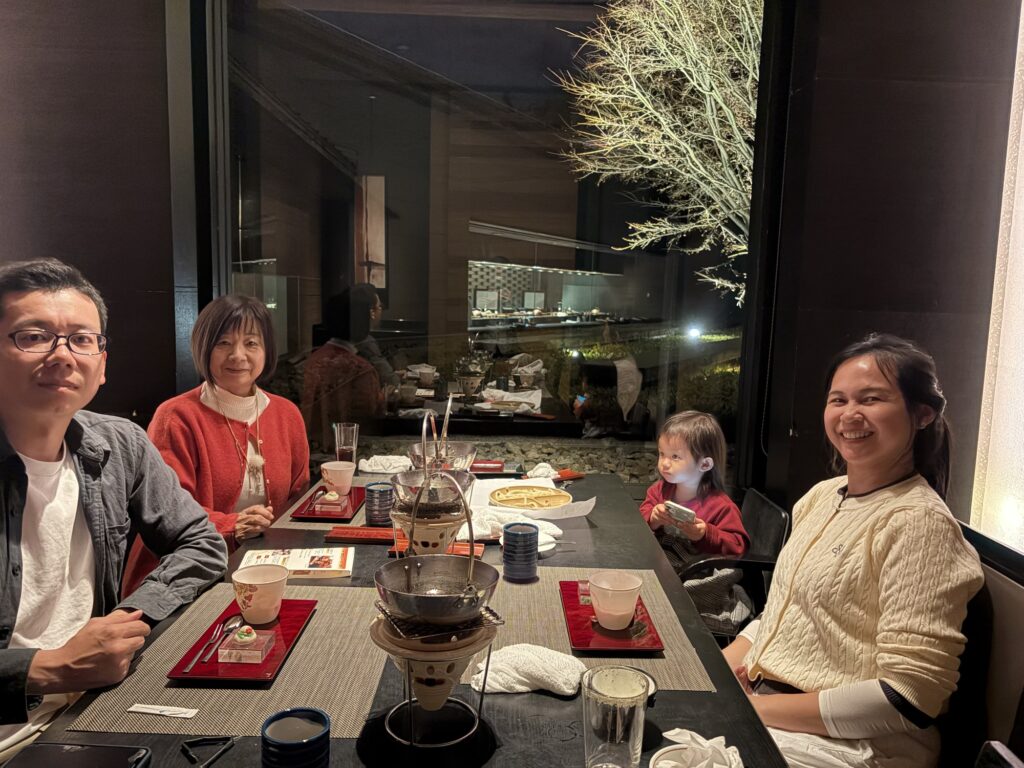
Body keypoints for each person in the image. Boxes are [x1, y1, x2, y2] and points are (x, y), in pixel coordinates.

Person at [722, 334, 984, 768]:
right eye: (838, 400)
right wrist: (715, 675)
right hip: (769, 707)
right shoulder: (822, 497)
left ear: (922, 413)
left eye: (871, 398)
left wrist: (754, 709)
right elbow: (787, 612)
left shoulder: (918, 523)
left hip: (854, 746)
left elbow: (908, 696)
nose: (849, 414)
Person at [0, 259, 226, 755]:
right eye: (34, 336)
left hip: (91, 711)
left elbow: (201, 542)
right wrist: (47, 668)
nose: (63, 355)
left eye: (82, 339)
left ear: (101, 365)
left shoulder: (119, 444)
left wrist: (128, 619)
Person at [121, 295, 309, 595]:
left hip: (263, 566)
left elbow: (298, 499)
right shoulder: (176, 416)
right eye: (223, 343)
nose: (238, 355)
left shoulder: (286, 414)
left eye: (251, 343)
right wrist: (231, 526)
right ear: (204, 348)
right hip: (183, 573)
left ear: (267, 350)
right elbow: (166, 510)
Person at [640, 411, 751, 632]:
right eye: (662, 454)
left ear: (705, 464)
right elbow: (641, 516)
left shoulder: (721, 505)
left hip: (698, 574)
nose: (664, 463)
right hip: (664, 566)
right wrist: (652, 518)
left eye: (675, 457)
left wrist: (704, 533)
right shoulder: (659, 490)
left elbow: (738, 546)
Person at [301, 286, 383, 452]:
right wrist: (384, 398)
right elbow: (369, 415)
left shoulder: (314, 359)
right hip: (348, 449)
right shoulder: (360, 368)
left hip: (311, 446)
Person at [351, 283, 400, 387]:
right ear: (372, 312)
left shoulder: (347, 336)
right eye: (379, 306)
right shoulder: (366, 342)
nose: (381, 310)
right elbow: (390, 380)